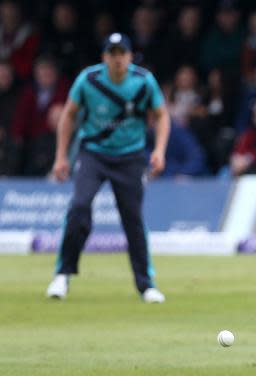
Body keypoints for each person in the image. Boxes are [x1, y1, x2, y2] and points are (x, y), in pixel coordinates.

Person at [45, 33, 169, 303]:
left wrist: (159, 150)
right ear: (104, 57)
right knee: (78, 208)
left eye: (121, 53)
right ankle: (62, 275)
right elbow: (69, 114)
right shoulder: (88, 80)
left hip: (130, 157)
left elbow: (161, 115)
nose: (117, 59)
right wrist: (61, 156)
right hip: (93, 155)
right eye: (112, 54)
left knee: (133, 219)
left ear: (129, 56)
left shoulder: (143, 81)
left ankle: (146, 284)